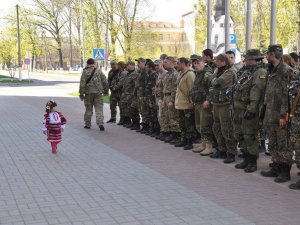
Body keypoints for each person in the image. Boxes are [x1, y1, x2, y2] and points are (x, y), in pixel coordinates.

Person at [260, 44, 292, 183]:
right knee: (272, 142)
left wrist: (283, 115)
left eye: (267, 53)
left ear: (272, 54)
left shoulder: (286, 71)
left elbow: (287, 96)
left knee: (283, 144)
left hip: (280, 114)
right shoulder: (271, 69)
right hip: (270, 113)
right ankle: (276, 167)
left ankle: (285, 172)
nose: (266, 56)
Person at [233, 49, 267, 173]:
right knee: (240, 133)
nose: (244, 61)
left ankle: (252, 161)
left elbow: (256, 91)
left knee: (249, 135)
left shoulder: (260, 72)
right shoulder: (246, 71)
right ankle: (246, 158)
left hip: (248, 108)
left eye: (246, 59)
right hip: (239, 108)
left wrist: (252, 109)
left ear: (253, 60)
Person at [209, 53, 237, 163]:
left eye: (218, 61)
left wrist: (214, 76)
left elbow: (216, 82)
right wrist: (214, 76)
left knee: (227, 129)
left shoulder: (230, 71)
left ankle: (231, 152)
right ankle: (222, 149)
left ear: (223, 62)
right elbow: (211, 81)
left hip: (226, 104)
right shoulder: (219, 71)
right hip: (217, 103)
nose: (216, 63)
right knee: (216, 127)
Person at [189, 56, 214, 155]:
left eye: (198, 63)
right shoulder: (198, 74)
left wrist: (208, 100)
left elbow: (212, 88)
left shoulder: (207, 74)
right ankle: (203, 144)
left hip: (205, 104)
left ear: (204, 63)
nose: (196, 65)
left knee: (205, 125)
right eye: (194, 63)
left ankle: (209, 146)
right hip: (198, 103)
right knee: (199, 125)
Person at [79, 58, 109, 131]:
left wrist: (81, 93)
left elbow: (82, 83)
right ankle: (100, 123)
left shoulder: (85, 71)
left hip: (88, 93)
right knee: (99, 109)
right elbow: (105, 81)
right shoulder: (98, 71)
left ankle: (87, 124)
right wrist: (106, 91)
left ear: (87, 64)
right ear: (93, 63)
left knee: (88, 109)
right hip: (98, 93)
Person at [175, 57, 196, 150]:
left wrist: (192, 102)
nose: (177, 65)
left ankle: (189, 141)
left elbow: (191, 90)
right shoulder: (181, 73)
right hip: (180, 103)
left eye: (178, 63)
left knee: (188, 124)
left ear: (184, 64)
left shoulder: (190, 74)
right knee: (182, 123)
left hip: (187, 104)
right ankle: (184, 139)